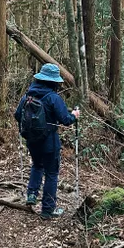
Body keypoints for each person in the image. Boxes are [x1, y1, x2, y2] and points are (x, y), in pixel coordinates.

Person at [14, 63, 80, 219]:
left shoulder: (27, 96)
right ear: (53, 82)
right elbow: (65, 120)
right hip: (50, 142)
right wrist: (75, 115)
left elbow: (17, 115)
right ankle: (48, 210)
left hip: (31, 141)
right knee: (51, 173)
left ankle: (31, 194)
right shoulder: (53, 98)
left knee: (37, 166)